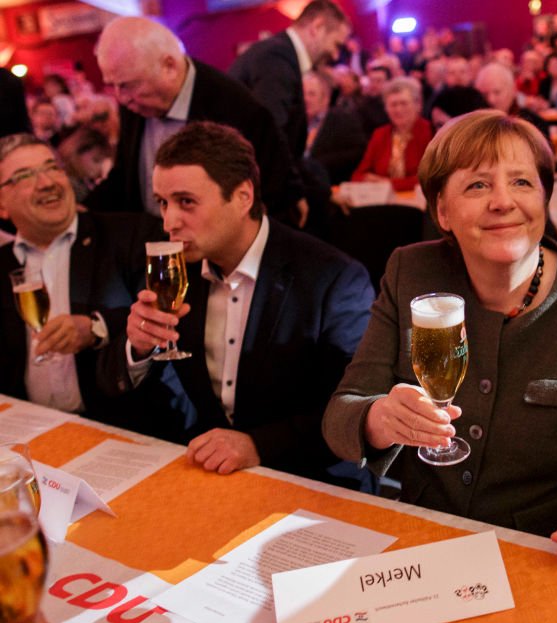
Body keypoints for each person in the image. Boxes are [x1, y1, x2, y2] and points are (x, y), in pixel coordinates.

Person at [323, 111, 557, 566]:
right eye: (478, 185)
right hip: (425, 545)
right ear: (442, 212)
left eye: (522, 183)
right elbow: (342, 412)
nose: (503, 201)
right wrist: (377, 419)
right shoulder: (410, 271)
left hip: (551, 554)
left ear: (545, 197)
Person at [100, 122, 374, 483]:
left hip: (315, 481)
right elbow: (150, 394)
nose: (169, 222)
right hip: (213, 477)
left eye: (186, 202)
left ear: (243, 196)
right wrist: (138, 348)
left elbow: (355, 410)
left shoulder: (333, 279)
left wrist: (257, 446)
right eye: (163, 203)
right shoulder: (174, 271)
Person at [0, 133, 184, 436]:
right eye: (24, 176)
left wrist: (96, 328)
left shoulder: (131, 236)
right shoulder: (2, 266)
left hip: (115, 430)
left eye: (52, 167)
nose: (47, 182)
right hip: (27, 433)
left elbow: (165, 311)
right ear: (3, 205)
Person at [89, 17, 304, 225]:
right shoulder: (135, 102)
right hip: (150, 246)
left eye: (127, 85)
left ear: (169, 67)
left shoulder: (237, 109)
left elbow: (276, 198)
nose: (120, 97)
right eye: (113, 86)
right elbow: (125, 177)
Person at [228, 0, 351, 164]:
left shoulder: (279, 53)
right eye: (337, 45)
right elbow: (270, 138)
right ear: (317, 27)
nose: (335, 56)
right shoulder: (276, 56)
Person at [351, 77, 432, 191]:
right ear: (386, 109)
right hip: (382, 201)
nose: (398, 109)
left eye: (404, 103)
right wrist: (368, 179)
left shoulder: (430, 132)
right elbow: (358, 176)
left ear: (418, 105)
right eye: (393, 104)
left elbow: (430, 178)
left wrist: (388, 183)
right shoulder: (380, 134)